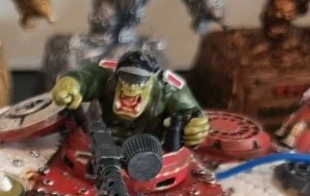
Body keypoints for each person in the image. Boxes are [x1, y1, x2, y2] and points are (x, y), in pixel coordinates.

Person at [50, 51, 211, 147]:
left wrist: (195, 126)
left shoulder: (168, 88)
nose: (131, 87)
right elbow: (85, 77)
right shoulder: (107, 76)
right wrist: (69, 84)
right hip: (98, 145)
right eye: (125, 79)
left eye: (139, 82)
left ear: (152, 79)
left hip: (153, 153)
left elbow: (191, 112)